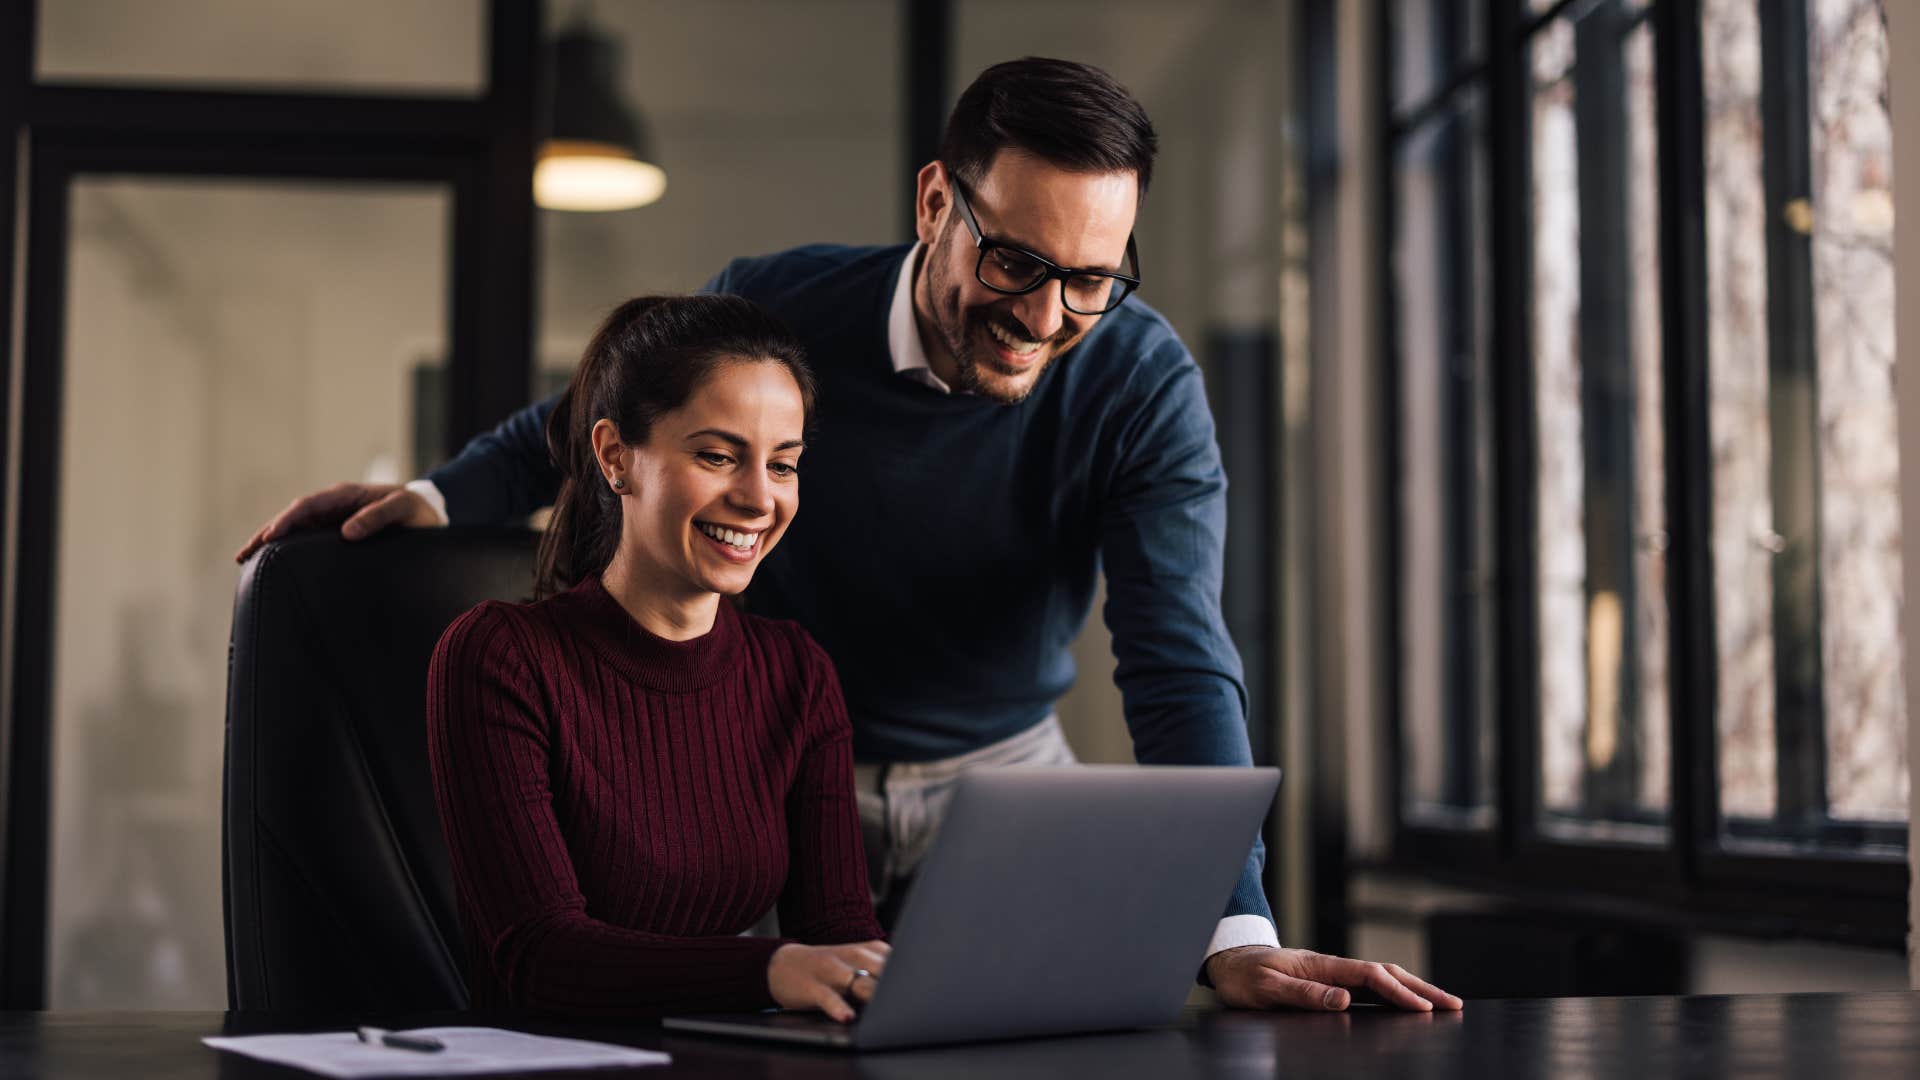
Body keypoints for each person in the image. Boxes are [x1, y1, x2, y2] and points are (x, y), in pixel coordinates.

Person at [248, 58, 1459, 1014]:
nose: (1046, 317)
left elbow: (1179, 657)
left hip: (997, 780)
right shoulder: (783, 306)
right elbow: (612, 405)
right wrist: (442, 496)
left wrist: (1232, 925)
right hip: (763, 771)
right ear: (937, 202)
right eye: (1016, 261)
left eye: (1092, 278)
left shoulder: (1140, 386)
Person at [426, 295, 886, 1021]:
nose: (759, 498)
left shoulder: (797, 674)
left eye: (784, 464)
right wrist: (768, 970)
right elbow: (540, 957)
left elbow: (838, 938)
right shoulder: (500, 658)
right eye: (717, 456)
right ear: (616, 457)